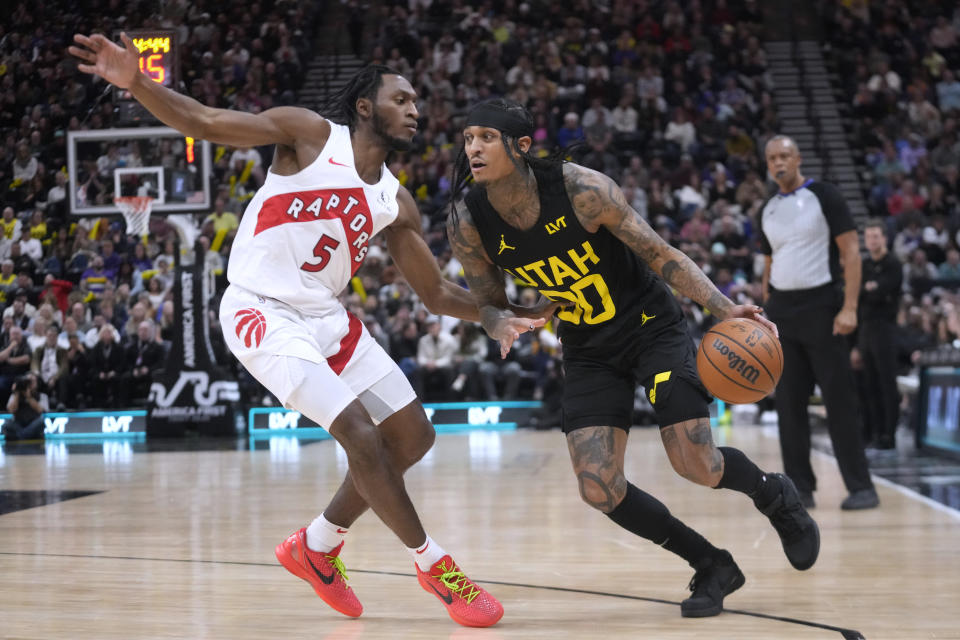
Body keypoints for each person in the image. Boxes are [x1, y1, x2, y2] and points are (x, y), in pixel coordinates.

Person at [71, 34, 552, 627]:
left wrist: (496, 312)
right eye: (401, 98)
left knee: (413, 437)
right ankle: (436, 566)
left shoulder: (394, 201)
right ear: (364, 106)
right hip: (261, 310)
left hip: (325, 316)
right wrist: (137, 82)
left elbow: (433, 294)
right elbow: (204, 121)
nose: (415, 108)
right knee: (359, 432)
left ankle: (317, 547)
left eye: (417, 102)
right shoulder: (309, 135)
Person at [446, 99, 820, 619]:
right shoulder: (469, 220)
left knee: (696, 463)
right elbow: (487, 299)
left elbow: (660, 253)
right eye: (468, 139)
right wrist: (498, 321)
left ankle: (774, 494)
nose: (473, 148)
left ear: (521, 146)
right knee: (598, 486)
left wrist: (725, 307)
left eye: (486, 137)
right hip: (586, 345)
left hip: (648, 325)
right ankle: (712, 564)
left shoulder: (583, 189)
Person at [759, 135, 879, 510]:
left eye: (785, 155)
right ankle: (800, 489)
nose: (779, 162)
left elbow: (850, 253)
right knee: (789, 405)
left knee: (838, 401)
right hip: (782, 311)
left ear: (798, 159)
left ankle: (862, 487)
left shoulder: (825, 195)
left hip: (822, 307)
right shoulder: (766, 209)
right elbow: (769, 264)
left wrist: (850, 307)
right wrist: (766, 310)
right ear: (768, 165)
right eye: (773, 158)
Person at [856, 219, 903, 449]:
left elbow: (883, 290)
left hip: (885, 329)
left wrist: (871, 291)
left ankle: (889, 434)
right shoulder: (863, 265)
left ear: (884, 238)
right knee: (868, 383)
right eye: (869, 236)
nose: (872, 240)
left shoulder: (893, 263)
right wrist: (870, 290)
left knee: (886, 383)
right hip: (865, 328)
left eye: (876, 236)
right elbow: (860, 295)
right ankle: (872, 432)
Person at [2, 373, 48, 441]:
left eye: (32, 381)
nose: (30, 384)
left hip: (33, 422)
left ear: (37, 383)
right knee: (6, 425)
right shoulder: (15, 395)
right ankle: (26, 435)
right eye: (28, 382)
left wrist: (29, 397)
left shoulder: (42, 395)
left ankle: (21, 436)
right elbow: (11, 410)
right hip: (18, 423)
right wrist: (16, 393)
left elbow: (40, 410)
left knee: (41, 422)